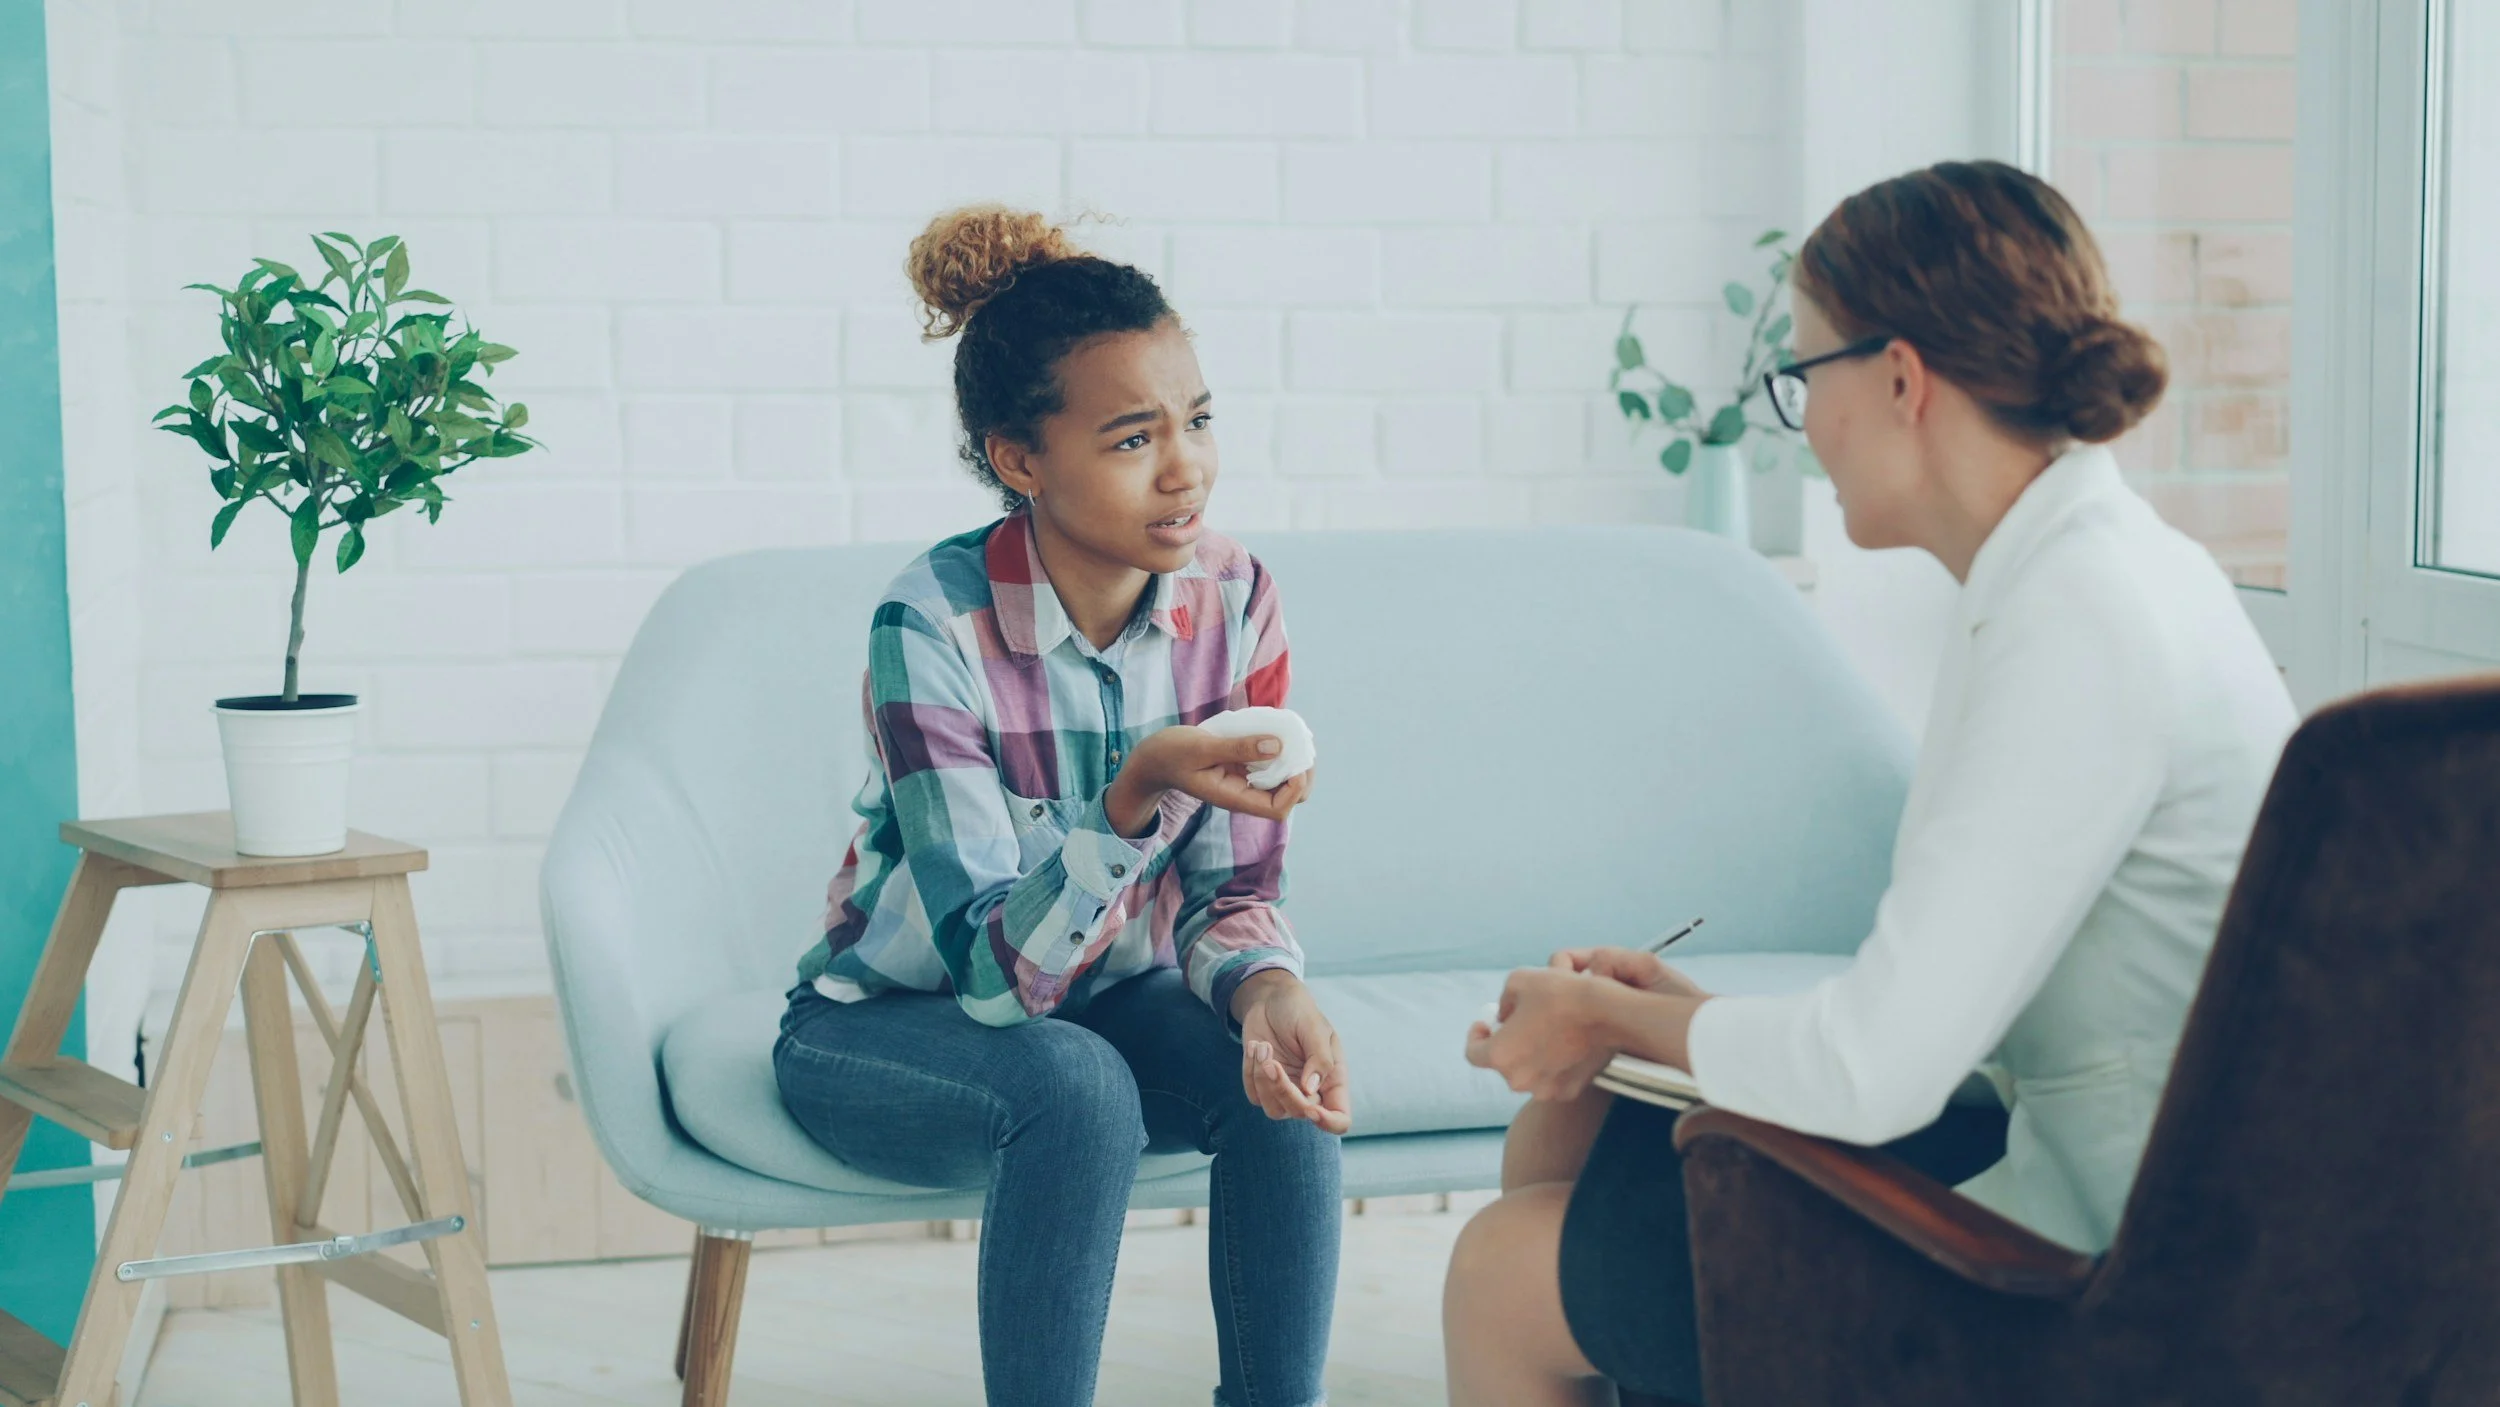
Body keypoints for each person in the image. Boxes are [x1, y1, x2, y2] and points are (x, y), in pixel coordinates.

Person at [1440, 159, 2300, 1406]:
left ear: (1899, 378)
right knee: (1568, 1145)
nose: (1803, 427)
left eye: (1802, 377)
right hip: (2119, 1170)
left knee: (1501, 1271)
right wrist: (1671, 1019)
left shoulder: (2075, 620)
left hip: (2107, 1259)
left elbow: (1876, 1074)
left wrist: (1622, 1022)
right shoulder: (2092, 572)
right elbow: (1952, 1010)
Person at [774, 206, 1350, 1407]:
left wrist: (1268, 987)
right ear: (1018, 460)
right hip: (885, 1033)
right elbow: (993, 983)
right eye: (1133, 438)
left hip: (1104, 1008)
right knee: (1074, 1082)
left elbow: (1234, 892)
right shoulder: (930, 623)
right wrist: (1133, 791)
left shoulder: (1234, 597)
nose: (1185, 466)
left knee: (1278, 1069)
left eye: (1196, 422)